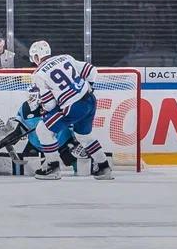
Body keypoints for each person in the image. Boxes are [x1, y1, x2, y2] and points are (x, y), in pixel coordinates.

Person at [24, 40, 113, 181]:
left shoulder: (39, 74)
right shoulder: (66, 57)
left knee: (43, 130)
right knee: (84, 136)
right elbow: (91, 71)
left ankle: (52, 167)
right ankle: (104, 167)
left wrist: (43, 110)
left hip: (73, 107)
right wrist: (89, 86)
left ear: (36, 57)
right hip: (90, 100)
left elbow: (50, 104)